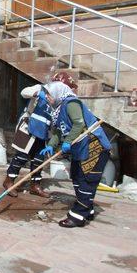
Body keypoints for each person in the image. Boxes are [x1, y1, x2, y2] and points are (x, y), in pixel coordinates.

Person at [40, 81, 111, 228]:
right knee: (77, 178)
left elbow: (79, 124)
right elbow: (60, 131)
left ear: (57, 93)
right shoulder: (58, 110)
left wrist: (68, 141)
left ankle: (77, 216)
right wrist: (51, 145)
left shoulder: (71, 103)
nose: (46, 97)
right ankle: (87, 210)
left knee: (86, 180)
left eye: (48, 94)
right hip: (80, 148)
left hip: (94, 147)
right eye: (45, 94)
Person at [3, 83, 52, 198]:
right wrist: (37, 93)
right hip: (27, 126)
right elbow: (24, 92)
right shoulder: (41, 88)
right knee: (21, 156)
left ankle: (35, 186)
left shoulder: (57, 98)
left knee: (39, 160)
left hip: (43, 130)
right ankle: (8, 181)